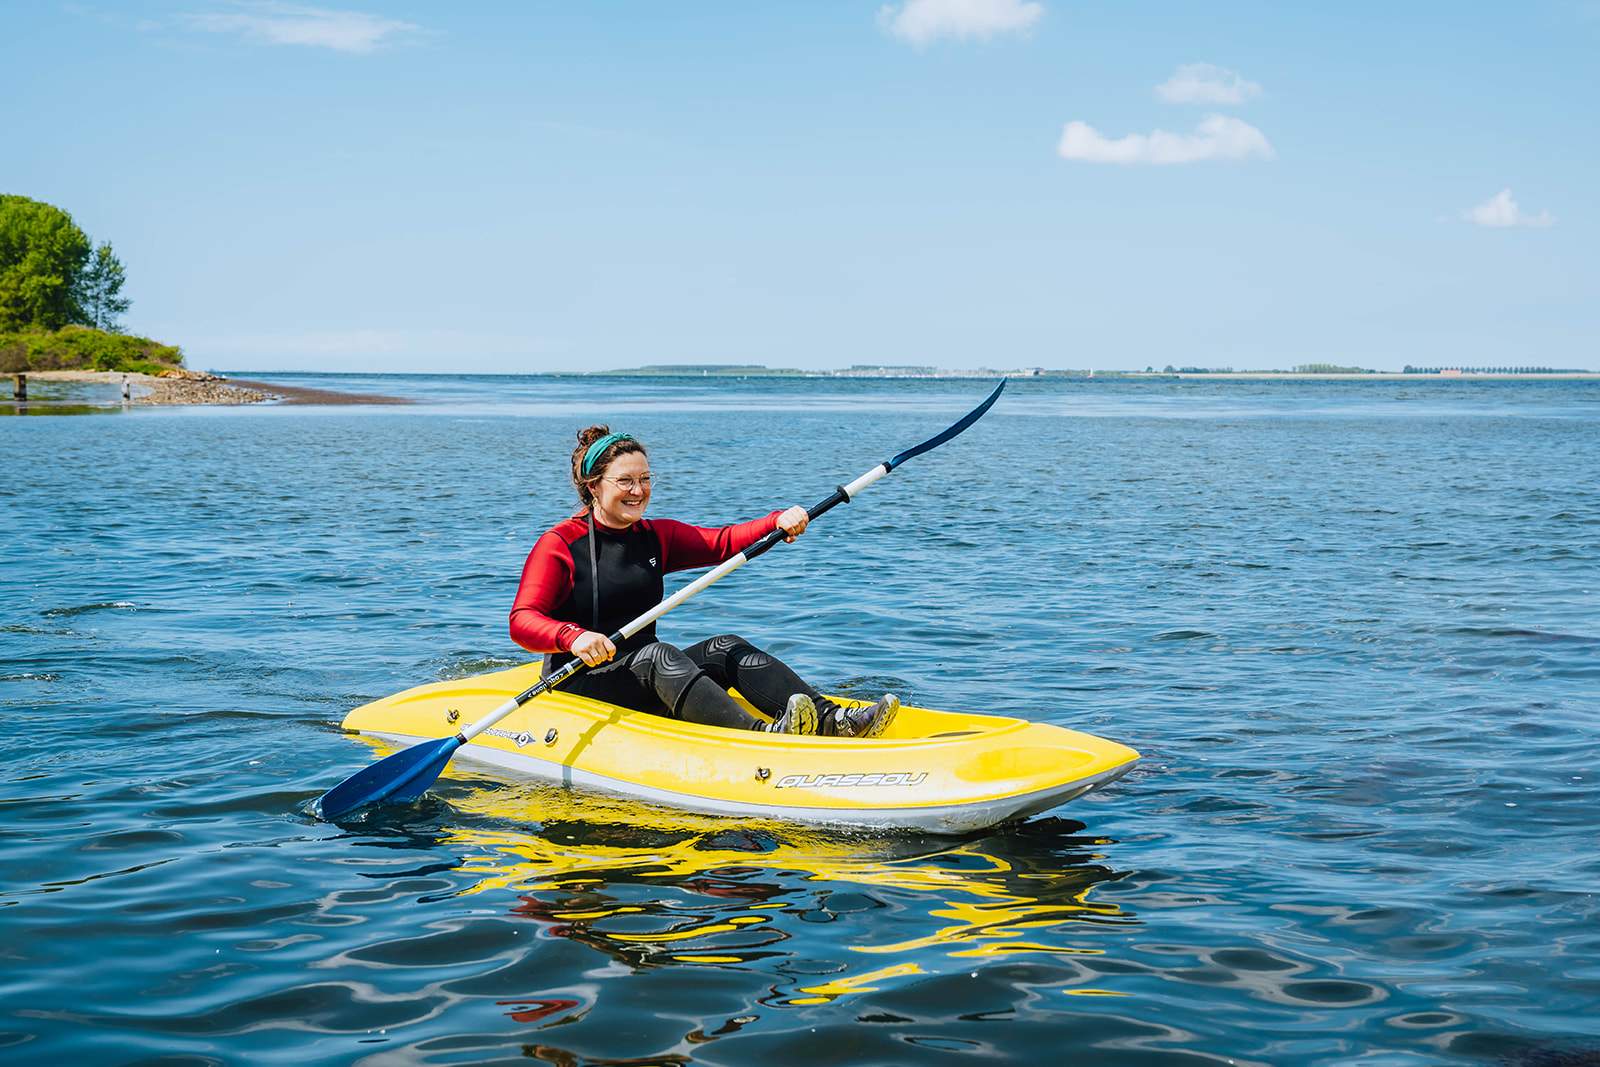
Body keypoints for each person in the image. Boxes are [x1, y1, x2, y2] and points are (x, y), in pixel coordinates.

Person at [509, 426, 898, 737]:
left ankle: (833, 721)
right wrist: (572, 637)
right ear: (594, 486)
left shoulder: (655, 536)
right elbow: (522, 621)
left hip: (644, 676)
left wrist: (776, 521)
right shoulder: (559, 544)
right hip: (579, 682)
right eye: (624, 481)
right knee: (659, 657)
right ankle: (757, 736)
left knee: (725, 647)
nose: (638, 490)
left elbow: (724, 542)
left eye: (645, 479)